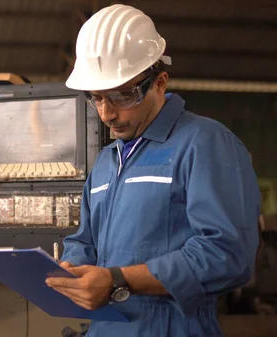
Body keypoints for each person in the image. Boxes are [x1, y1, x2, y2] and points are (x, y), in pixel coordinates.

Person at [45, 4, 260, 337]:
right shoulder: (106, 161)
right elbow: (84, 240)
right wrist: (72, 268)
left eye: (121, 96)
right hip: (105, 327)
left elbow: (228, 256)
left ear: (159, 82)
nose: (106, 113)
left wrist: (118, 280)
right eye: (96, 97)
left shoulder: (205, 144)